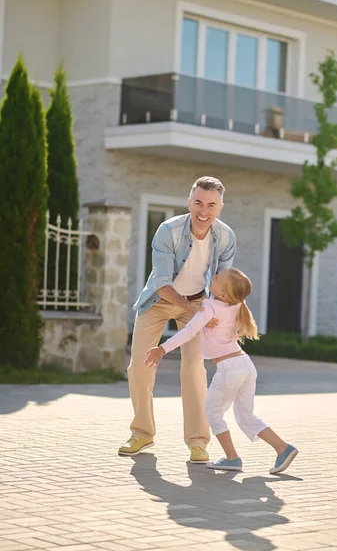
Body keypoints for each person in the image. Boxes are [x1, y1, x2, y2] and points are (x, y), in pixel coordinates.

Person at [119, 176, 236, 464]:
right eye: (198, 202)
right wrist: (190, 308)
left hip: (197, 303)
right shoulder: (168, 231)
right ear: (189, 202)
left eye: (211, 204)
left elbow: (224, 285)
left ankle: (198, 441)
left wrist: (217, 316)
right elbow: (161, 282)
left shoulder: (225, 237)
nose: (203, 210)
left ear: (220, 207)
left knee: (195, 369)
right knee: (140, 367)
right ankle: (142, 432)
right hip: (159, 301)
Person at [145, 267, 298, 474]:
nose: (213, 276)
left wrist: (162, 349)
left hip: (229, 369)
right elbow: (213, 285)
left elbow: (189, 332)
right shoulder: (236, 304)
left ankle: (232, 458)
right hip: (244, 365)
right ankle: (283, 448)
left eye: (217, 277)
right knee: (246, 416)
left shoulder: (209, 307)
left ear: (224, 294)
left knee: (212, 412)